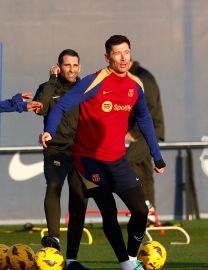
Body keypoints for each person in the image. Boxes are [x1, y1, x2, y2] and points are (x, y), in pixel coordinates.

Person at [41, 35, 166, 270]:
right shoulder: (94, 81)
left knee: (140, 210)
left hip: (117, 161)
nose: (122, 57)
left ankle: (130, 256)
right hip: (89, 161)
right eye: (117, 53)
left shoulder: (135, 85)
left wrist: (156, 156)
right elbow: (61, 105)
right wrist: (49, 130)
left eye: (126, 52)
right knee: (108, 211)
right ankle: (127, 265)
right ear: (107, 57)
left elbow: (145, 120)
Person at [33, 49, 89, 270]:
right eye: (67, 65)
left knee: (79, 199)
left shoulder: (86, 87)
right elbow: (40, 109)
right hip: (56, 149)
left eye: (75, 65)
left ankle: (72, 258)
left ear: (79, 67)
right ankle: (54, 241)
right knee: (54, 185)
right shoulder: (49, 86)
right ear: (58, 66)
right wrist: (51, 80)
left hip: (82, 151)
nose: (72, 69)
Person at [126, 60, 165, 224]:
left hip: (149, 132)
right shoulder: (132, 77)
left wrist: (133, 132)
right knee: (143, 170)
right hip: (142, 131)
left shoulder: (142, 77)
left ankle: (143, 206)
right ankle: (149, 214)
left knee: (126, 160)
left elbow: (146, 107)